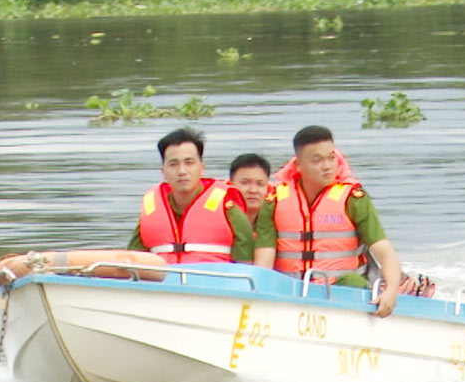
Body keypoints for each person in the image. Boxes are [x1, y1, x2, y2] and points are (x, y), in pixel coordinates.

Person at [254, 126, 402, 317]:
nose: (328, 166)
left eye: (331, 157)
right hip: (289, 291)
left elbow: (386, 254)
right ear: (297, 164)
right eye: (317, 160)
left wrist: (390, 291)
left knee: (354, 282)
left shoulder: (354, 198)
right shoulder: (274, 200)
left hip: (343, 290)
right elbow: (264, 261)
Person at [127, 128, 254, 263]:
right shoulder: (151, 209)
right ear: (163, 171)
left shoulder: (226, 206)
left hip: (214, 280)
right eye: (173, 164)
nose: (182, 171)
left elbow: (245, 262)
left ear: (202, 168)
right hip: (165, 281)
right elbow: (132, 260)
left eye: (189, 163)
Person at [227, 153, 272, 227]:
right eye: (245, 183)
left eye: (260, 184)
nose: (253, 190)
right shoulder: (216, 219)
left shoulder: (280, 219)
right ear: (230, 185)